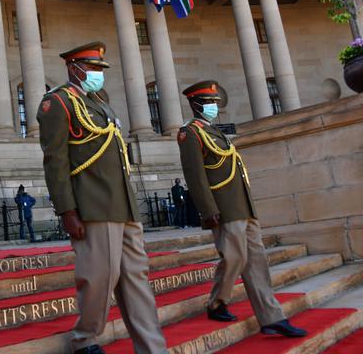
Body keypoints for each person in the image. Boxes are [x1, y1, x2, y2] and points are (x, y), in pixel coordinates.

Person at [37, 41, 166, 354]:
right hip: (93, 203)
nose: (97, 73)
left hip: (123, 203)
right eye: (92, 68)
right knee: (99, 277)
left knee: (136, 278)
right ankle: (85, 339)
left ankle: (152, 347)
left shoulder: (99, 103)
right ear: (73, 68)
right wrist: (67, 210)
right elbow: (55, 161)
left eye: (99, 68)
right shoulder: (58, 102)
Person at [177, 80, 306, 337]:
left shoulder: (215, 132)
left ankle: (272, 318)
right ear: (195, 104)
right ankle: (217, 302)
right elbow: (195, 175)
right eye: (208, 102)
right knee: (235, 257)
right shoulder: (189, 133)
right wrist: (207, 210)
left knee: (257, 261)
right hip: (224, 207)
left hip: (242, 205)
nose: (213, 106)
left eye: (214, 102)